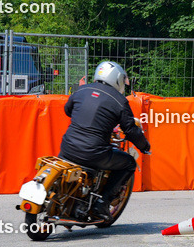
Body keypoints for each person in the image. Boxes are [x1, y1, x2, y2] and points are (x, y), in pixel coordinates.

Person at [59, 61, 150, 219]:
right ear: (117, 79)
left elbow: (68, 110)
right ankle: (102, 203)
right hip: (94, 154)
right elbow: (130, 129)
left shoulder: (82, 90)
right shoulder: (119, 101)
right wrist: (144, 146)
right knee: (129, 163)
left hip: (67, 148)